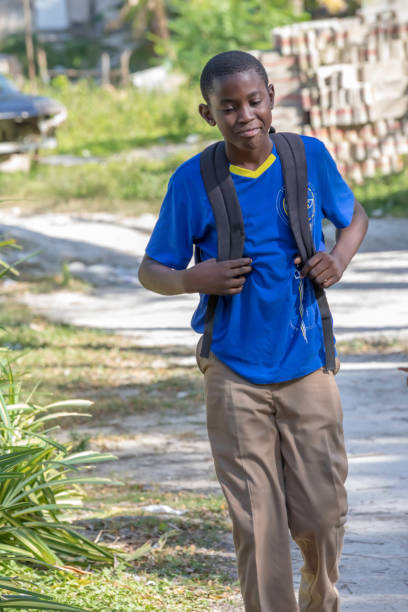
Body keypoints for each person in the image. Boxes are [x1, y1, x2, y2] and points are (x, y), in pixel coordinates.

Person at [138, 50, 368, 612]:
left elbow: (354, 216)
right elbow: (152, 270)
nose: (245, 115)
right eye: (228, 107)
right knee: (257, 523)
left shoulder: (308, 157)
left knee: (321, 513)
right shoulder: (193, 180)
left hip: (307, 361)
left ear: (272, 97)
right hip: (233, 370)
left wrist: (338, 256)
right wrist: (196, 278)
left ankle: (320, 601)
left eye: (254, 101)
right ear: (207, 113)